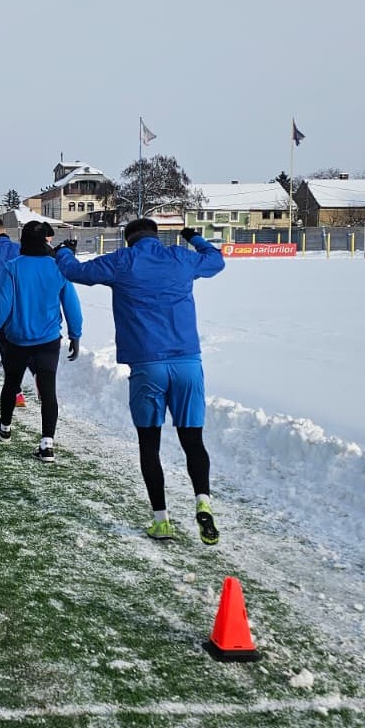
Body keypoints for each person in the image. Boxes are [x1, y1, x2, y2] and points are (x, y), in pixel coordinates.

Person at [55, 218, 225, 544]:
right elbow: (216, 261)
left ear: (128, 239)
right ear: (156, 237)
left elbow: (76, 272)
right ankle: (202, 499)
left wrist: (64, 253)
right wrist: (195, 238)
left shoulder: (123, 261)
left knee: (150, 444)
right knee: (193, 440)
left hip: (148, 364)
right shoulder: (180, 257)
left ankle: (161, 520)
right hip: (187, 362)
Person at [0, 221, 83, 462]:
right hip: (48, 340)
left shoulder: (13, 267)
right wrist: (75, 335)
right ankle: (47, 443)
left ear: (23, 241)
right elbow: (71, 305)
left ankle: (5, 427)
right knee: (48, 390)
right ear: (45, 240)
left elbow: (1, 306)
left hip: (17, 340)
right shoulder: (57, 267)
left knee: (11, 384)